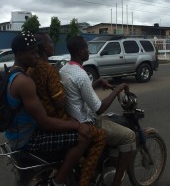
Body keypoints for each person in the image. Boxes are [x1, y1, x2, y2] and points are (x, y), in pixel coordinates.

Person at [4, 31, 101, 186]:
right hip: (28, 139)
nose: (37, 56)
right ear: (20, 55)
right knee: (85, 136)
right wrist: (78, 125)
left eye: (38, 51)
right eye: (33, 53)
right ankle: (57, 182)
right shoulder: (24, 81)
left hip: (15, 135)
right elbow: (45, 121)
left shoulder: (13, 73)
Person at [59, 35, 137, 186]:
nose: (88, 51)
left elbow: (77, 93)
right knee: (129, 136)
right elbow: (99, 108)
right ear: (81, 51)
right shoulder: (81, 74)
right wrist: (118, 89)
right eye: (86, 48)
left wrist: (97, 82)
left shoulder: (65, 69)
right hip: (87, 122)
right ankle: (116, 183)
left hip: (72, 118)